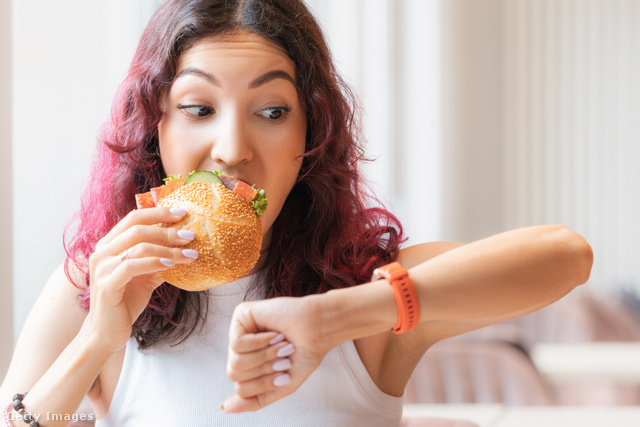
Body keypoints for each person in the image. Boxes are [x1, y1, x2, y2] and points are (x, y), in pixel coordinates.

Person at [1, 0, 593, 425]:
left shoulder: (361, 284)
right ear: (157, 128)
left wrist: (335, 318)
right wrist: (97, 340)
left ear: (311, 139)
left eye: (272, 111)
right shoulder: (94, 283)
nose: (232, 148)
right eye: (199, 107)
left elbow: (565, 257)